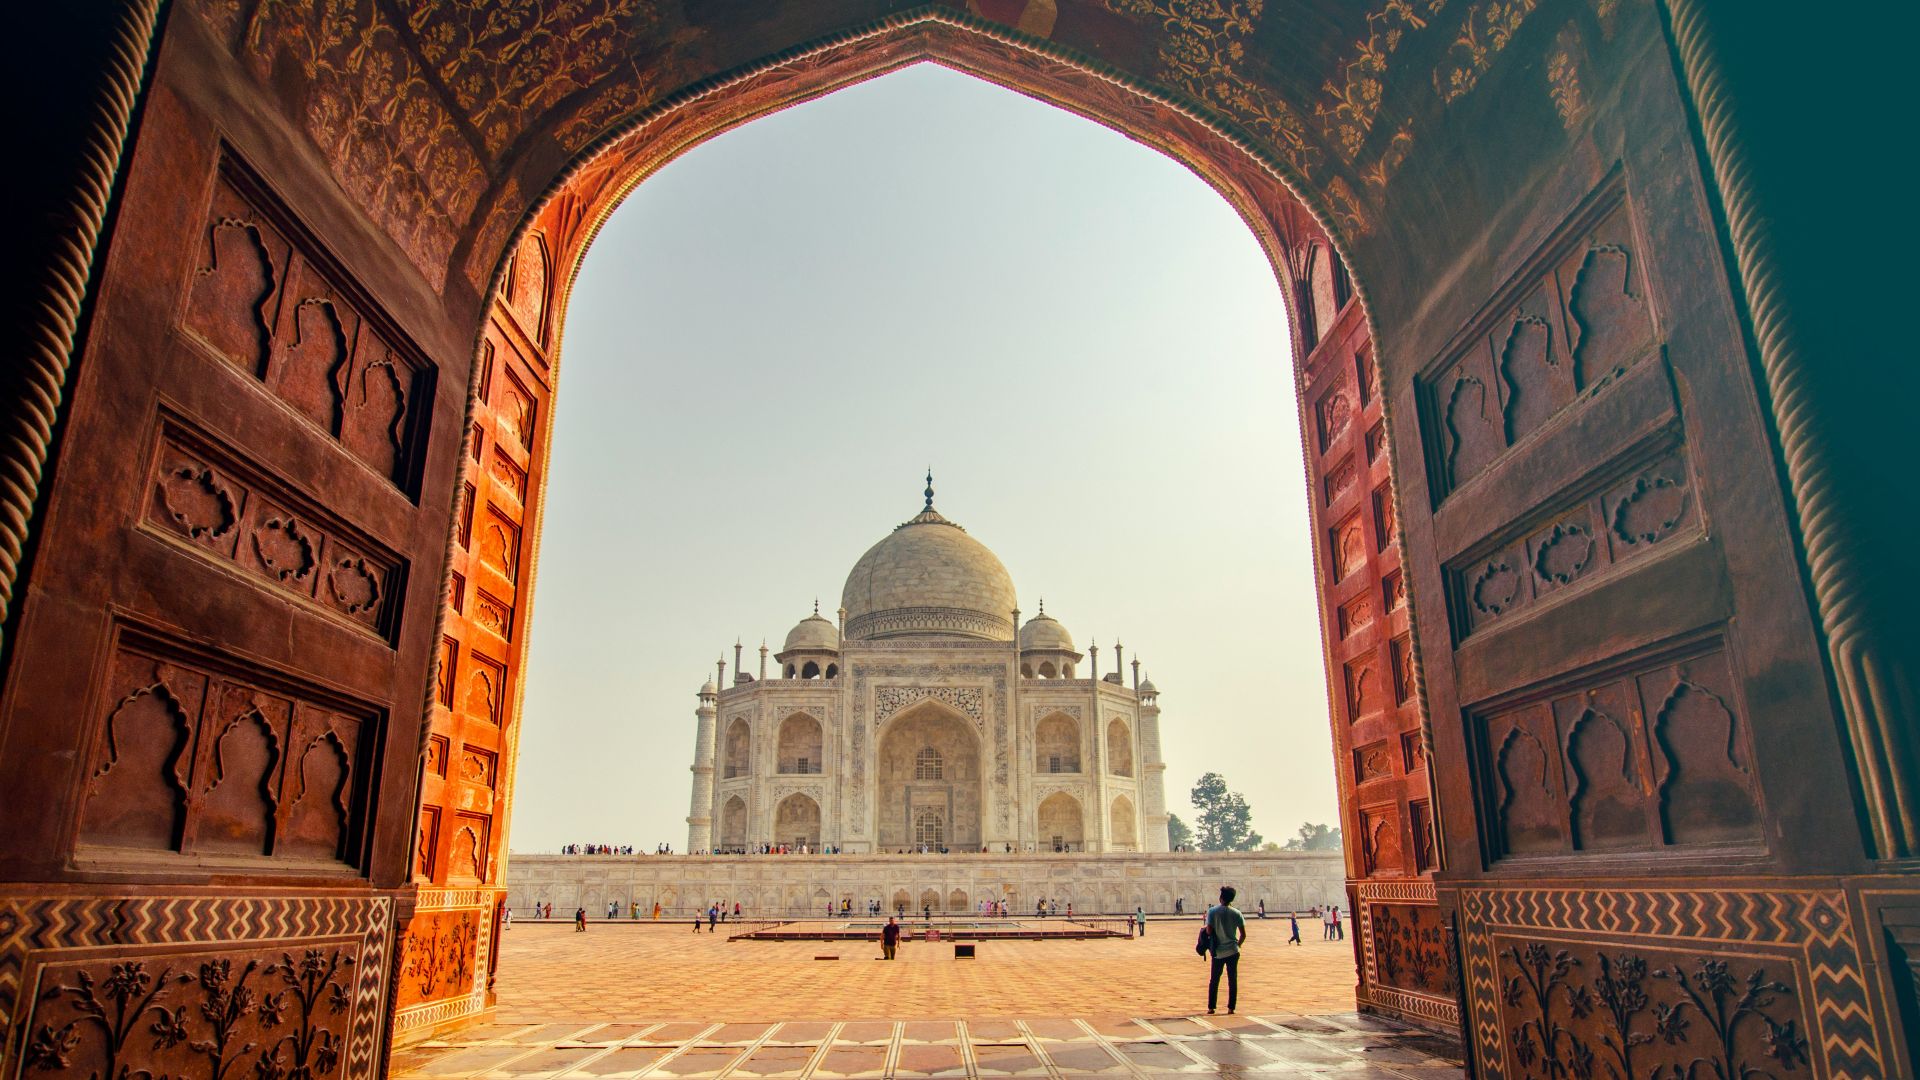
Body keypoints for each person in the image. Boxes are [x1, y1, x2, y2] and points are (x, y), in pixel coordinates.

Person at [1203, 886, 1247, 1015]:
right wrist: (1238, 945)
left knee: (1214, 980)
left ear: (1220, 897)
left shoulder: (1212, 911)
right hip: (1233, 951)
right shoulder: (1236, 913)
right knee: (1232, 979)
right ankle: (1231, 1008)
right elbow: (1243, 935)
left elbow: (1209, 931)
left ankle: (1211, 1007)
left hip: (1218, 951)